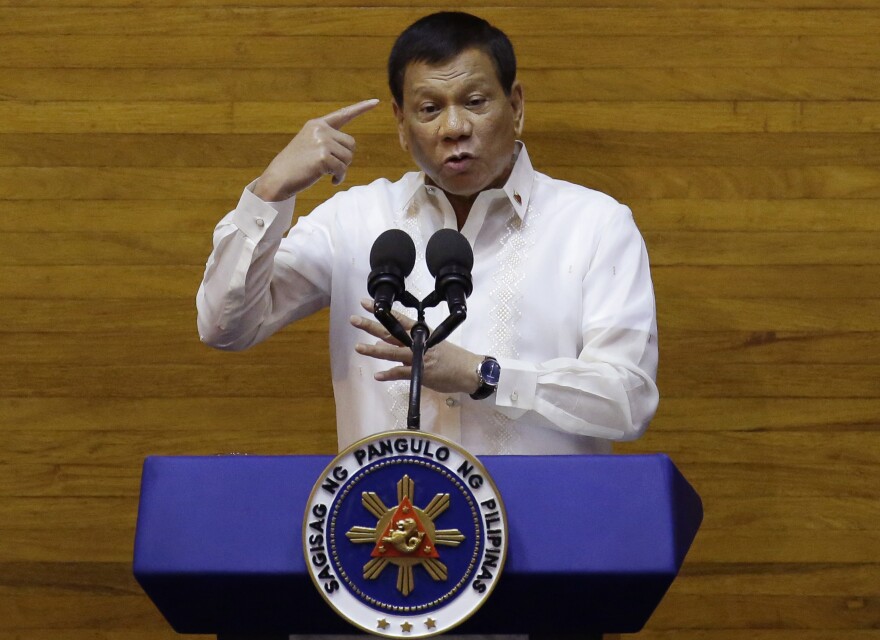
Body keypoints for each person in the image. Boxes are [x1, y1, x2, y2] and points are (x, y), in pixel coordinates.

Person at [196, 11, 658, 457]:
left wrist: (483, 375)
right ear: (401, 124)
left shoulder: (594, 224)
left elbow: (628, 397)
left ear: (515, 106)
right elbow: (225, 326)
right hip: (386, 526)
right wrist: (270, 191)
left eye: (475, 103)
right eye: (430, 109)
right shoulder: (354, 219)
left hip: (545, 528)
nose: (454, 128)